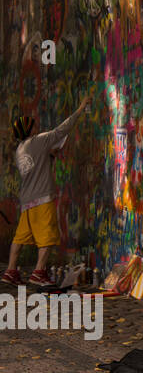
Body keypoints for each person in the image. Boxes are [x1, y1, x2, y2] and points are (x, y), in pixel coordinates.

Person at [3, 95, 92, 287]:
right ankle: (39, 272)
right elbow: (62, 129)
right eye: (33, 125)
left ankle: (10, 271)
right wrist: (81, 107)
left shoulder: (20, 149)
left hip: (27, 201)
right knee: (48, 236)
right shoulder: (39, 141)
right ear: (29, 129)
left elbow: (37, 166)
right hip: (42, 198)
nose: (37, 127)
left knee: (20, 238)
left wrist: (50, 157)